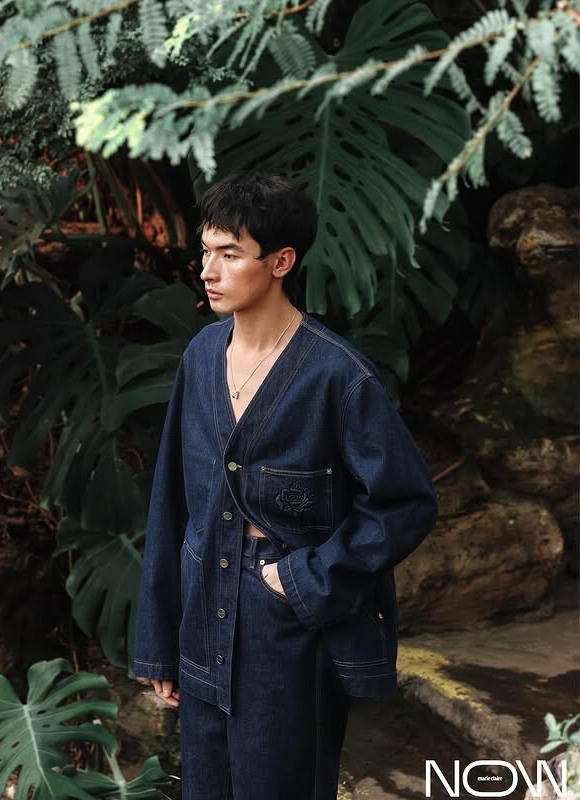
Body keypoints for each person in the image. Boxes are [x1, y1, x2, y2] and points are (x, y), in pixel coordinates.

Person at [133, 171, 438, 799]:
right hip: (203, 609)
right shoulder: (200, 357)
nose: (208, 271)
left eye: (230, 254)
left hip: (286, 629)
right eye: (205, 252)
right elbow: (171, 501)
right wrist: (159, 641)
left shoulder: (337, 377)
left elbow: (405, 502)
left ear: (281, 261)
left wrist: (303, 578)